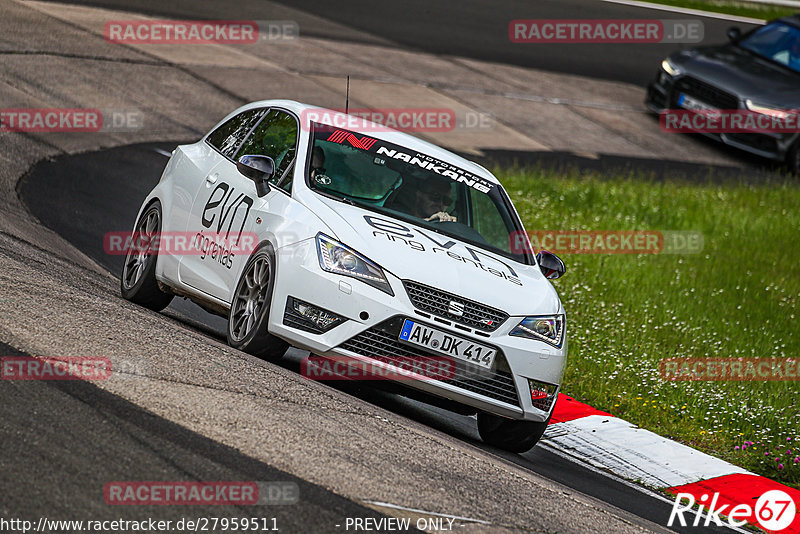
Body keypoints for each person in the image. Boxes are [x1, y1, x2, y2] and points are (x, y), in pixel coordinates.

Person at [387, 176, 456, 222]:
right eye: (435, 196)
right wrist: (427, 221)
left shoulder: (445, 226)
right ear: (419, 194)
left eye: (446, 201)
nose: (440, 203)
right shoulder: (395, 213)